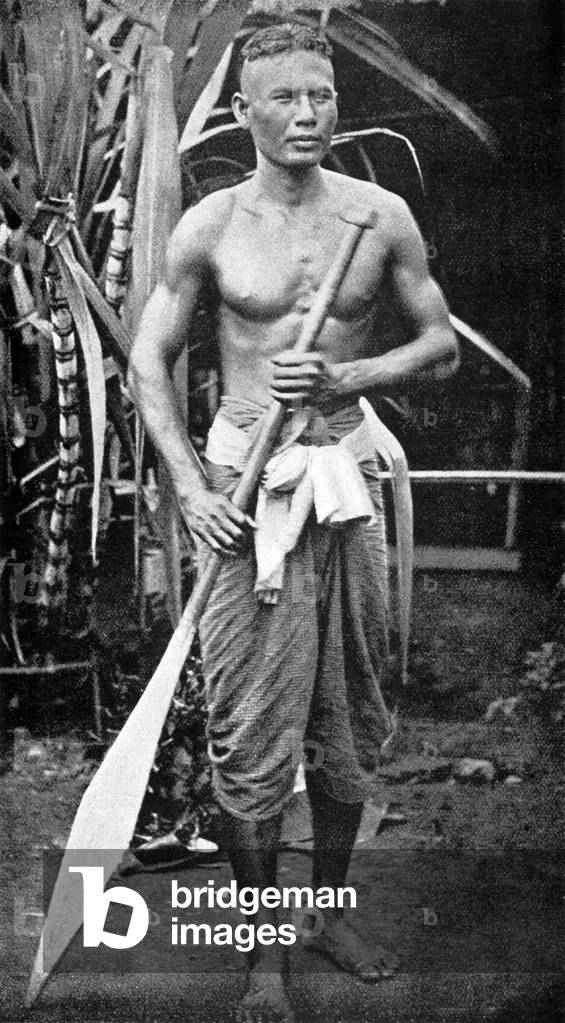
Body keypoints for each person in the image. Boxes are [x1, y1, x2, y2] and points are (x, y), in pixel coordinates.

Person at [128, 22, 459, 1023]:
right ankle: (263, 947)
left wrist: (350, 373)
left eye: (321, 95)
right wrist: (189, 490)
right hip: (246, 483)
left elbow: (439, 346)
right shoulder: (212, 227)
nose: (308, 114)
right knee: (252, 726)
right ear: (244, 111)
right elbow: (149, 363)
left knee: (350, 712)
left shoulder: (381, 212)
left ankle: (328, 911)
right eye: (284, 98)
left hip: (348, 471)